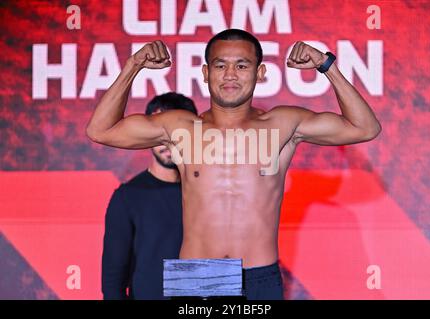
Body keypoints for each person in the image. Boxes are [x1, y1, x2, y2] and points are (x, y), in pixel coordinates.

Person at [87, 29, 381, 300]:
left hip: (258, 276)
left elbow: (364, 128)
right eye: (220, 65)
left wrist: (326, 65)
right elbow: (100, 130)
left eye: (241, 65)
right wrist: (133, 65)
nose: (230, 75)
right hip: (199, 275)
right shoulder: (180, 127)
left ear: (260, 72)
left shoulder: (283, 124)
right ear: (205, 72)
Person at [101, 92, 198, 300]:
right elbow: (113, 282)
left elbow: (228, 264)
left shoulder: (213, 192)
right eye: (159, 131)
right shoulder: (129, 197)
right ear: (146, 135)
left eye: (177, 132)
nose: (168, 141)